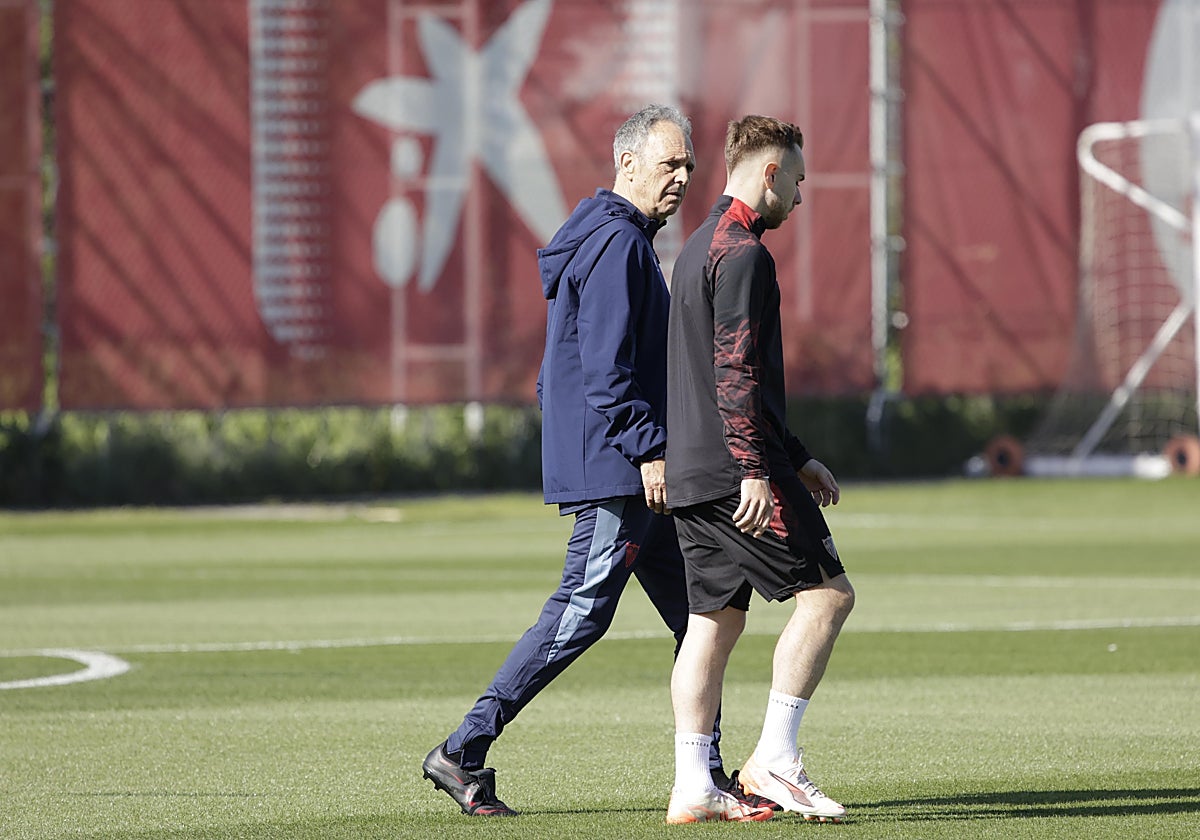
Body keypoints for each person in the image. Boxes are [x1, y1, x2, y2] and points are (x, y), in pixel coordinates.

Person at [422, 105, 752, 818]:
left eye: (689, 165)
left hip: (636, 472)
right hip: (626, 473)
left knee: (706, 613)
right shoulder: (617, 245)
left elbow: (559, 374)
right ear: (626, 164)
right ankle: (462, 751)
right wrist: (647, 450)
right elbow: (605, 373)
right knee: (579, 614)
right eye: (670, 164)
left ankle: (707, 775)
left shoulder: (612, 239)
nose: (683, 177)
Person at [662, 115, 855, 825]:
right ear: (770, 172)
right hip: (735, 472)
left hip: (692, 474)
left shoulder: (693, 250)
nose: (800, 197)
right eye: (797, 180)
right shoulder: (743, 254)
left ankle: (693, 784)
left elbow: (718, 375)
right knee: (829, 597)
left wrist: (797, 454)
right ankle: (775, 759)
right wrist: (756, 469)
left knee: (711, 624)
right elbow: (736, 371)